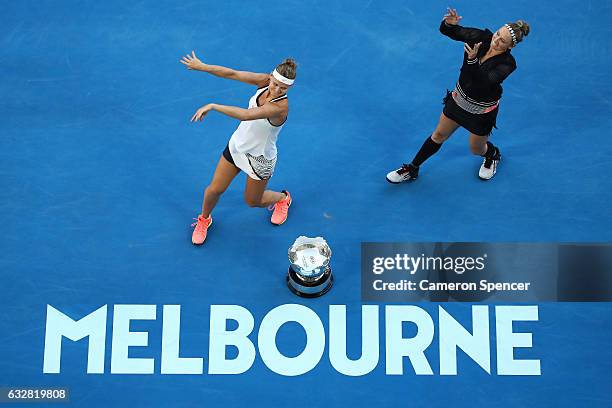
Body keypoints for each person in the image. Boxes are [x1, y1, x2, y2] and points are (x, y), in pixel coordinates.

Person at [386, 8, 530, 183]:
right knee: (438, 135)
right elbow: (452, 32)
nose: (496, 40)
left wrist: (471, 60)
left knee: (476, 149)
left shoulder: (507, 64)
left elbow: (482, 82)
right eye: (498, 34)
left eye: (502, 41)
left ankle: (493, 154)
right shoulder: (481, 37)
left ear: (511, 47)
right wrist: (449, 24)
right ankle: (412, 169)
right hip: (458, 101)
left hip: (481, 113)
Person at [181, 52, 296, 245]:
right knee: (214, 189)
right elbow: (233, 74)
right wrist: (203, 66)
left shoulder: (280, 108)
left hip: (260, 159)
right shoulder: (264, 81)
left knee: (252, 201)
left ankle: (283, 198)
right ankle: (204, 219)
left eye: (282, 88)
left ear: (289, 88)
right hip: (238, 147)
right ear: (271, 76)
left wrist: (214, 106)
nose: (276, 89)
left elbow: (246, 115)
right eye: (275, 84)